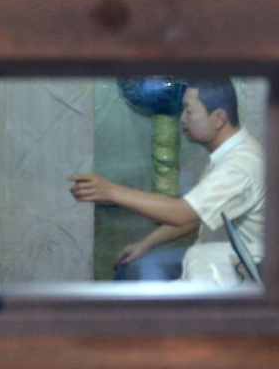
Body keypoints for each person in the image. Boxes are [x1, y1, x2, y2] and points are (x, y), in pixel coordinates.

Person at [68, 79, 265, 287]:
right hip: (209, 255)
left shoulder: (240, 165)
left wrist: (111, 192)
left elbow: (181, 213)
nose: (182, 119)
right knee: (133, 266)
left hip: (239, 270)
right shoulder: (228, 153)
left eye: (189, 111)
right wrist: (145, 245)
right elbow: (198, 215)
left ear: (218, 119)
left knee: (145, 284)